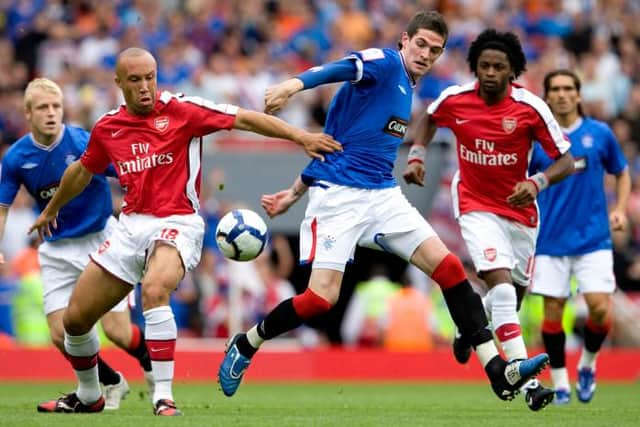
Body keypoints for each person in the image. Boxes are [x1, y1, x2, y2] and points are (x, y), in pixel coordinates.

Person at [217, 11, 550, 403]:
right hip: (339, 199)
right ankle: (247, 342)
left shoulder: (408, 87)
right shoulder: (385, 62)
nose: (426, 54)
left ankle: (497, 369)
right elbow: (343, 67)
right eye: (421, 44)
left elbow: (341, 142)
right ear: (405, 41)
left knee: (450, 269)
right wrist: (293, 85)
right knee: (320, 299)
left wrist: (294, 190)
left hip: (383, 195)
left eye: (435, 50)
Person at [28, 47, 342, 416]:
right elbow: (81, 172)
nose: (145, 87)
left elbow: (244, 119)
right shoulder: (108, 128)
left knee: (156, 288)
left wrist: (301, 137)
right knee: (75, 321)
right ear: (119, 83)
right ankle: (89, 395)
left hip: (179, 221)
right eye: (135, 80)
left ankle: (163, 395)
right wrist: (51, 209)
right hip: (131, 226)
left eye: (150, 77)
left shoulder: (182, 110)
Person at [403, 29, 575, 411]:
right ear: (475, 68)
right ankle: (525, 380)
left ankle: (472, 324)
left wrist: (537, 181)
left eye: (499, 67)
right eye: (484, 66)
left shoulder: (531, 108)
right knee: (498, 283)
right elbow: (429, 120)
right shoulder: (456, 99)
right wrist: (416, 154)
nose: (491, 73)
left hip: (521, 211)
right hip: (475, 203)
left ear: (513, 71)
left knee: (512, 296)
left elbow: (566, 158)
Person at [0, 78, 153, 411]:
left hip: (102, 240)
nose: (51, 113)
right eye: (43, 108)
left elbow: (128, 173)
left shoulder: (84, 141)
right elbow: (2, 207)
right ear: (28, 114)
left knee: (117, 332)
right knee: (60, 334)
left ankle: (150, 362)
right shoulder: (16, 158)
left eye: (56, 106)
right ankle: (110, 383)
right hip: (56, 247)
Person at [529, 69, 630, 404]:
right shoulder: (536, 140)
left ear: (578, 94)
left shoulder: (599, 134)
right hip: (550, 240)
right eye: (555, 88)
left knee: (600, 310)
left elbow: (622, 171)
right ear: (547, 95)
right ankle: (560, 383)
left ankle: (587, 364)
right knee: (553, 313)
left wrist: (620, 208)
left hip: (593, 238)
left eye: (568, 88)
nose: (561, 94)